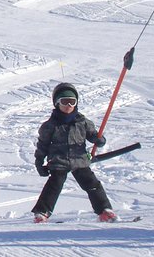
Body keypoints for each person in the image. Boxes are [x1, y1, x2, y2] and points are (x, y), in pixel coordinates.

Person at [31, 82, 117, 223]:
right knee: (54, 185)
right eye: (65, 102)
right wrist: (39, 162)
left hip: (79, 160)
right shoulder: (49, 126)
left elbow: (93, 135)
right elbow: (42, 146)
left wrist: (99, 140)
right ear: (57, 103)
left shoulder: (82, 122)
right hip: (59, 161)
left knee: (92, 184)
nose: (69, 105)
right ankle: (41, 213)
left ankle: (104, 210)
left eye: (72, 102)